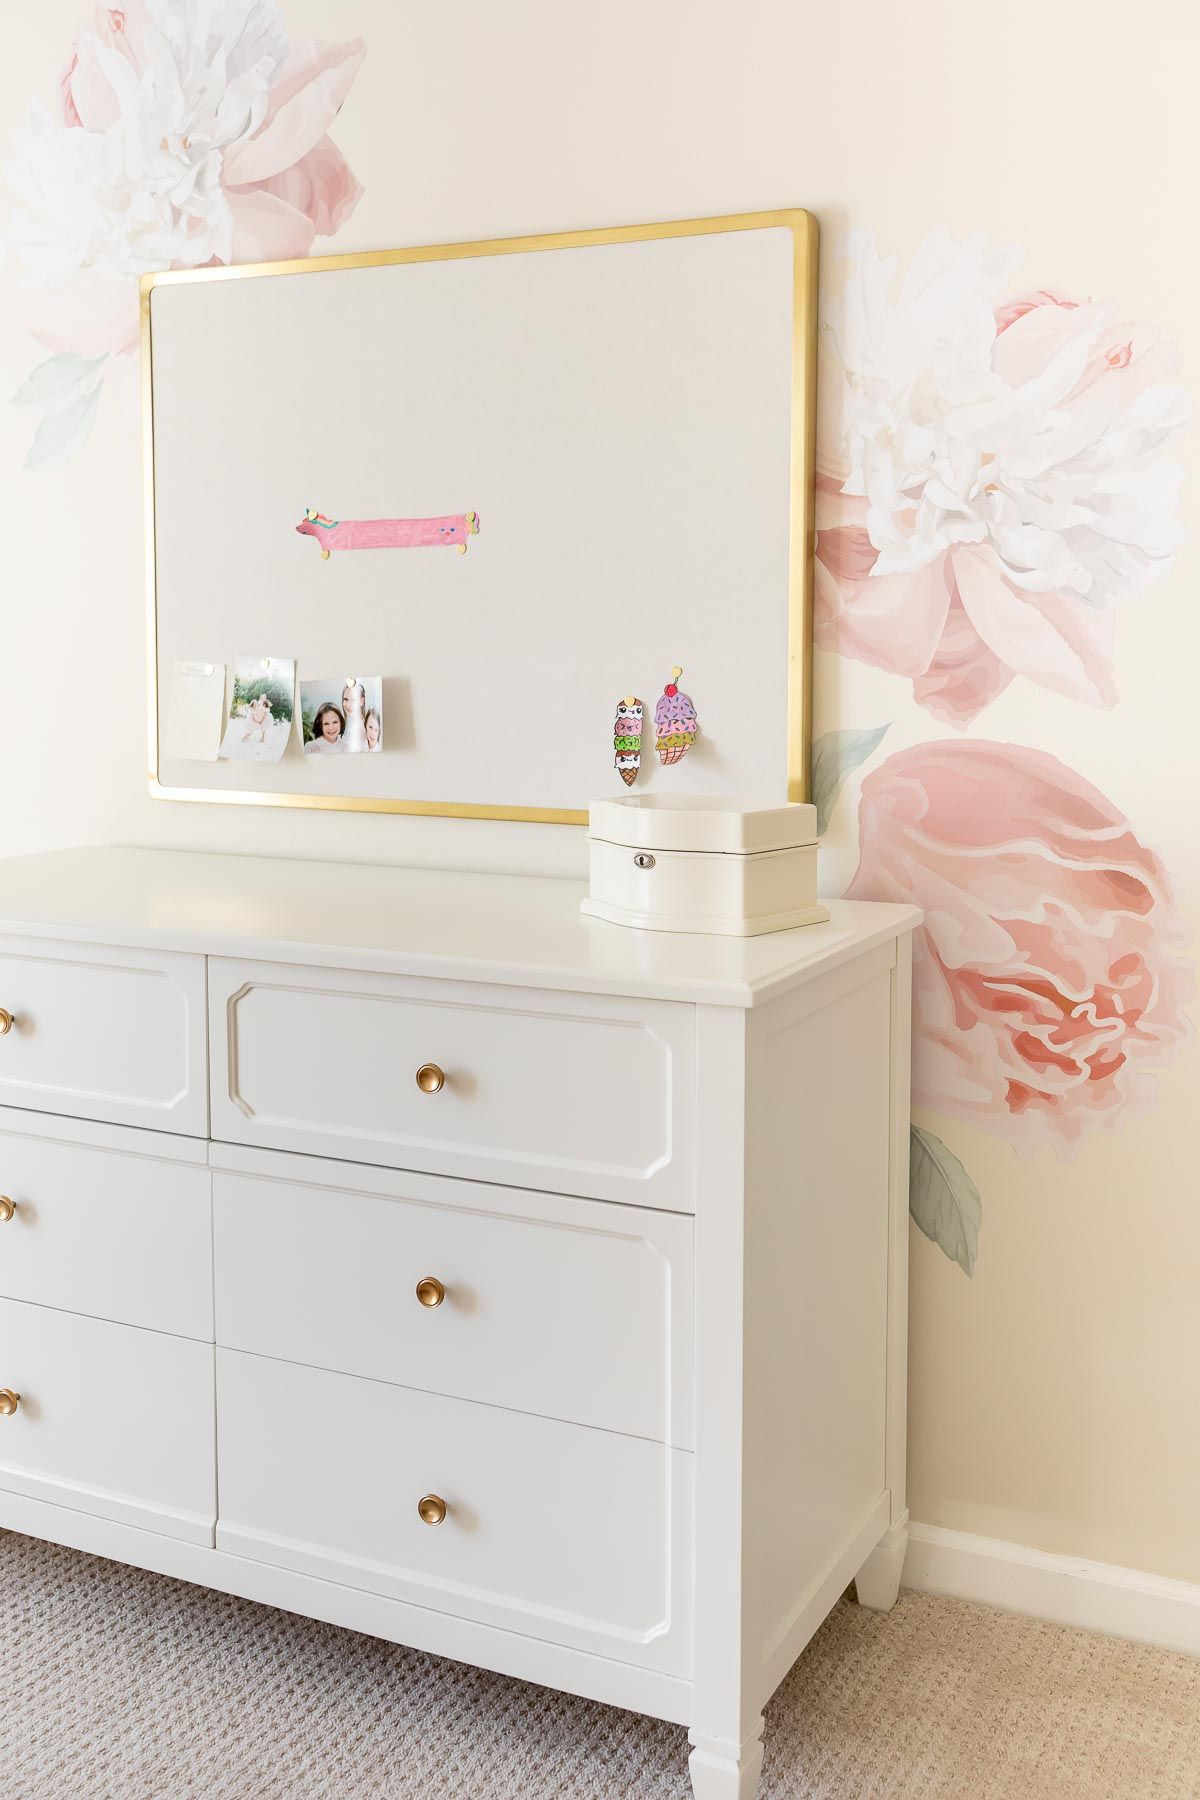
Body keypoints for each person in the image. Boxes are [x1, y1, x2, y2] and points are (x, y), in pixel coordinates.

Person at [341, 681, 368, 753]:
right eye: (346, 699)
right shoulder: (358, 723)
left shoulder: (358, 727)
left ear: (361, 701)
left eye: (353, 700)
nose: (348, 705)